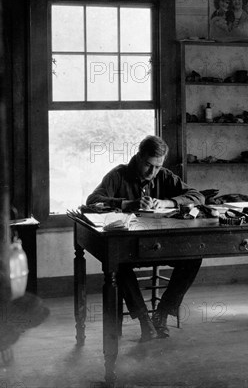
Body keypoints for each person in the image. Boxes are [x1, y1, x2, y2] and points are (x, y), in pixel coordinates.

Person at [86, 135, 205, 342]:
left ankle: (162, 313)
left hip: (161, 245)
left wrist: (167, 203)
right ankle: (144, 320)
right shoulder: (119, 174)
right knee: (117, 263)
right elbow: (92, 201)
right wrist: (126, 204)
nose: (153, 173)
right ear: (139, 157)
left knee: (194, 257)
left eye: (158, 167)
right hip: (131, 247)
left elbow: (198, 197)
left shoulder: (165, 176)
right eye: (149, 166)